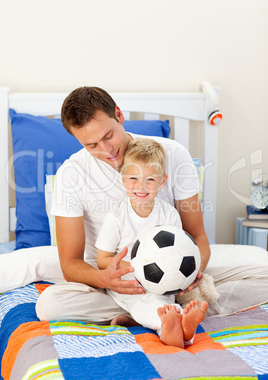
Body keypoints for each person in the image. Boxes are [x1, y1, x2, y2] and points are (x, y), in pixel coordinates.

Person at [36, 86, 268, 323]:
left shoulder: (173, 154)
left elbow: (197, 236)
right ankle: (156, 312)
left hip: (174, 270)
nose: (106, 150)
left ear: (119, 115)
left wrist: (190, 274)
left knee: (264, 271)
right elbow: (70, 264)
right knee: (49, 306)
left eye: (108, 136)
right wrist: (104, 279)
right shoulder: (71, 174)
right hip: (115, 282)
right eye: (91, 145)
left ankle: (156, 310)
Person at [96, 137, 208, 347]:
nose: (141, 186)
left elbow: (178, 253)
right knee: (145, 304)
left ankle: (175, 328)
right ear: (122, 179)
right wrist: (136, 269)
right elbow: (102, 259)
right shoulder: (117, 216)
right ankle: (177, 328)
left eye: (150, 180)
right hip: (127, 285)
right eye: (133, 178)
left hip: (161, 284)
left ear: (162, 182)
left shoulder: (169, 214)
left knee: (161, 302)